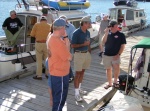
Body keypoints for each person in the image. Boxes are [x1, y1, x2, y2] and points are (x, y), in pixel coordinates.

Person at [47, 18, 72, 111]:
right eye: (65, 27)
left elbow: (67, 50)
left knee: (59, 99)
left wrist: (65, 38)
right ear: (61, 28)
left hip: (59, 73)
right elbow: (69, 57)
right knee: (59, 100)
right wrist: (66, 41)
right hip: (59, 74)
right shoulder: (56, 42)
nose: (65, 29)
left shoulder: (54, 37)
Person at [71, 16, 92, 102]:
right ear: (84, 23)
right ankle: (76, 94)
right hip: (78, 54)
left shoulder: (87, 32)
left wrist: (89, 52)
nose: (90, 24)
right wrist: (83, 44)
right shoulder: (76, 33)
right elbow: (72, 45)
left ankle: (79, 89)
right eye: (89, 23)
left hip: (86, 54)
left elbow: (88, 43)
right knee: (77, 74)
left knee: (82, 72)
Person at [101, 21, 126, 89]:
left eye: (113, 26)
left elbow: (122, 46)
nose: (111, 27)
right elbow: (103, 41)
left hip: (115, 55)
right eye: (111, 26)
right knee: (108, 69)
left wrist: (119, 54)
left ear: (116, 26)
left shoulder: (121, 35)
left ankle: (115, 81)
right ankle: (109, 83)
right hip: (106, 55)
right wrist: (106, 33)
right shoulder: (108, 34)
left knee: (116, 67)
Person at [30, 16, 51, 80]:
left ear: (40, 20)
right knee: (47, 60)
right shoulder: (49, 26)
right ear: (46, 20)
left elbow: (32, 34)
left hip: (38, 43)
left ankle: (39, 75)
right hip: (46, 44)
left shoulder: (36, 25)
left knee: (39, 60)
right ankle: (48, 74)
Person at [59, 15, 76, 83]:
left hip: (67, 47)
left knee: (66, 61)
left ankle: (70, 76)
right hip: (59, 47)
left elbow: (73, 38)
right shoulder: (58, 27)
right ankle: (66, 75)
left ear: (66, 21)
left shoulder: (71, 27)